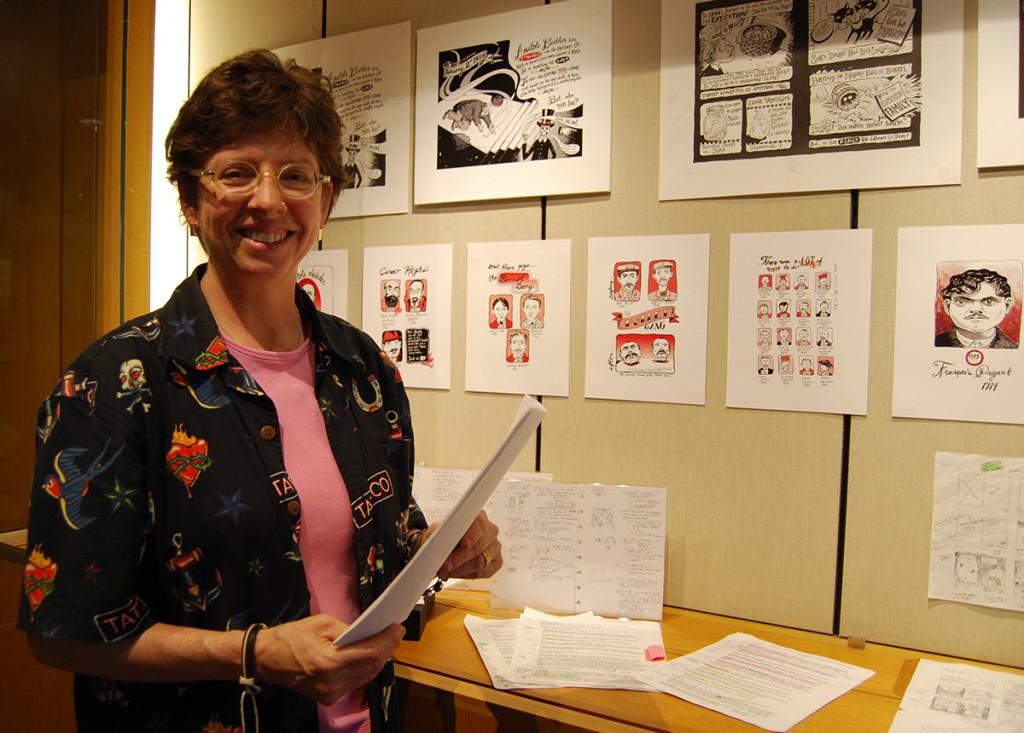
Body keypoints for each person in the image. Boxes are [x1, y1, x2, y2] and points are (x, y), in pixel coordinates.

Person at [18, 49, 503, 733]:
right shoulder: (115, 384)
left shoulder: (363, 369)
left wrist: (440, 553)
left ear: (326, 200)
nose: (268, 200)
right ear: (190, 199)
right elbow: (59, 628)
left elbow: (361, 565)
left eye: (296, 175)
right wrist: (253, 653)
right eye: (237, 173)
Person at [935, 268, 1018, 348]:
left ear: (1007, 305)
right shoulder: (937, 343)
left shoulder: (1014, 349)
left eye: (988, 301)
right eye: (961, 302)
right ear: (947, 306)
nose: (976, 309)